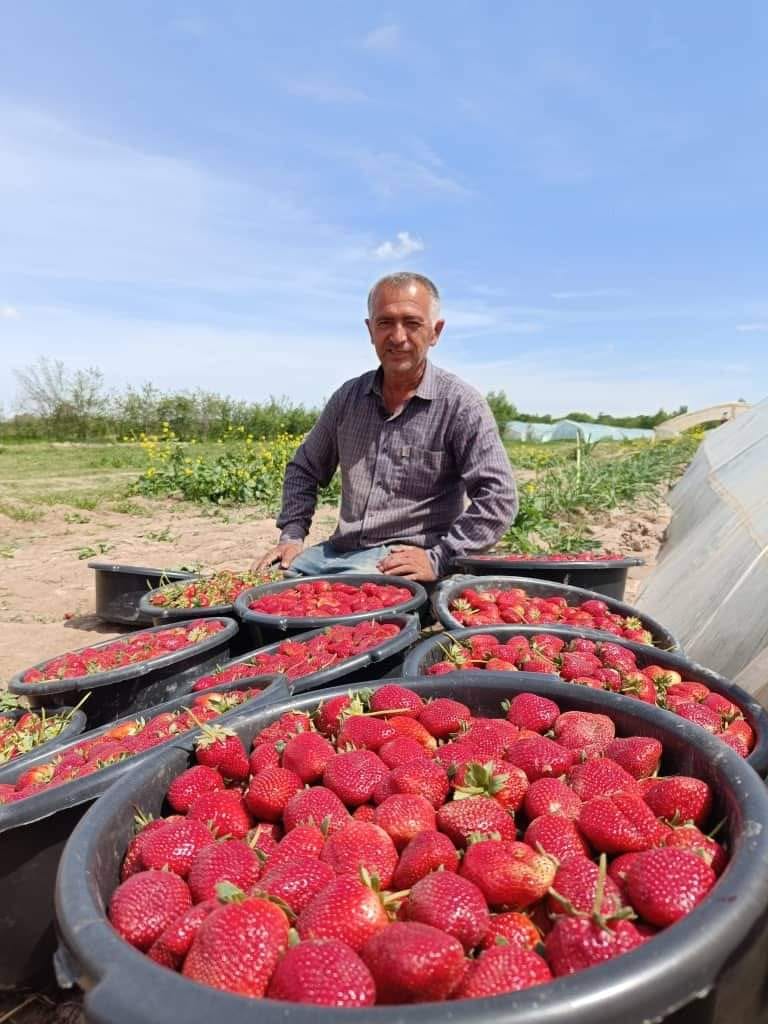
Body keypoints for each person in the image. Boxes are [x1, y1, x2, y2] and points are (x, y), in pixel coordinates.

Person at [255, 272, 517, 582]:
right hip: (340, 553)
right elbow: (304, 468)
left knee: (337, 605)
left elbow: (499, 497)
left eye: (412, 323)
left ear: (436, 331)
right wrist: (293, 535)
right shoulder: (348, 399)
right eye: (385, 323)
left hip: (404, 560)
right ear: (370, 330)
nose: (397, 337)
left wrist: (441, 558)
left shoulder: (461, 404)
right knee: (262, 586)